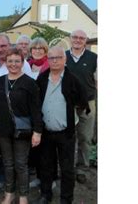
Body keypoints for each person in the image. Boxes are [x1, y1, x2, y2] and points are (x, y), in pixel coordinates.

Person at [33, 46, 90, 204]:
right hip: (46, 131)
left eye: (58, 57)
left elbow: (82, 99)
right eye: (51, 58)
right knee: (46, 166)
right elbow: (36, 103)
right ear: (48, 60)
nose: (55, 60)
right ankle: (46, 195)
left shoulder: (72, 79)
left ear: (64, 59)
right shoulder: (42, 78)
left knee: (67, 169)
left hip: (66, 133)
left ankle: (66, 199)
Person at [0, 48, 43, 204]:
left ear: (22, 63)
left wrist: (37, 132)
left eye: (17, 61)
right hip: (4, 130)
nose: (13, 64)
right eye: (10, 61)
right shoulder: (1, 80)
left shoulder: (30, 83)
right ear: (5, 62)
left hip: (22, 131)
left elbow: (36, 109)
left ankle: (23, 196)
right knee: (7, 163)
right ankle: (9, 193)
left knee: (21, 164)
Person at [65, 29, 97, 184]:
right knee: (68, 137)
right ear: (70, 39)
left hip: (87, 103)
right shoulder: (62, 56)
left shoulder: (94, 58)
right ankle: (67, 167)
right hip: (67, 103)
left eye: (81, 38)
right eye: (75, 37)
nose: (78, 40)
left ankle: (82, 168)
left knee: (85, 137)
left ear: (86, 40)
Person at [27, 37, 50, 189]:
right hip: (29, 111)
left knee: (45, 147)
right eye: (34, 48)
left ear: (45, 51)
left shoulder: (49, 66)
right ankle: (35, 173)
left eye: (40, 49)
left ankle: (47, 178)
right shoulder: (27, 65)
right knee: (33, 145)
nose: (37, 51)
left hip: (45, 109)